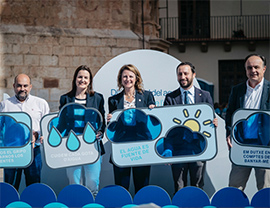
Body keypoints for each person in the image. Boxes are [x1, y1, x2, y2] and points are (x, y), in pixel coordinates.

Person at [164, 62, 218, 193]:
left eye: (185, 73)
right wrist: (168, 149)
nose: (182, 77)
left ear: (193, 75)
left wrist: (214, 122)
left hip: (198, 149)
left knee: (198, 187)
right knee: (179, 188)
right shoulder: (170, 98)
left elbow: (209, 119)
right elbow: (167, 126)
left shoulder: (205, 96)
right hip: (178, 150)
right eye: (180, 74)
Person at [107, 64, 155, 193]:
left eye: (130, 76)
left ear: (136, 78)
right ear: (120, 79)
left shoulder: (147, 96)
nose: (127, 79)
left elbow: (152, 122)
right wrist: (110, 120)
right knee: (122, 188)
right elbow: (112, 128)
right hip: (121, 146)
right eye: (124, 77)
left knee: (142, 187)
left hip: (141, 146)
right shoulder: (113, 100)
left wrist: (153, 112)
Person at [59, 65, 105, 197]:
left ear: (90, 81)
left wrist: (100, 132)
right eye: (80, 77)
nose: (82, 80)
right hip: (72, 146)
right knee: (74, 183)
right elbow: (62, 123)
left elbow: (102, 121)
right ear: (75, 79)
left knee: (93, 183)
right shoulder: (65, 98)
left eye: (86, 77)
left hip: (92, 146)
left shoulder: (98, 98)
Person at [225, 54, 270, 190]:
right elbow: (230, 113)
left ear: (264, 69)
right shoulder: (237, 90)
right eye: (249, 68)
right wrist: (229, 133)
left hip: (265, 145)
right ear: (245, 70)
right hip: (242, 144)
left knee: (265, 189)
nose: (253, 71)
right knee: (235, 187)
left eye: (256, 67)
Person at [0, 74, 50, 191]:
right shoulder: (4, 105)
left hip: (34, 152)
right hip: (12, 153)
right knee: (10, 187)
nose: (22, 89)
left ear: (30, 87)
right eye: (19, 86)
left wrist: (37, 134)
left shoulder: (41, 104)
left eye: (25, 86)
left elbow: (46, 127)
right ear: (13, 86)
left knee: (34, 187)